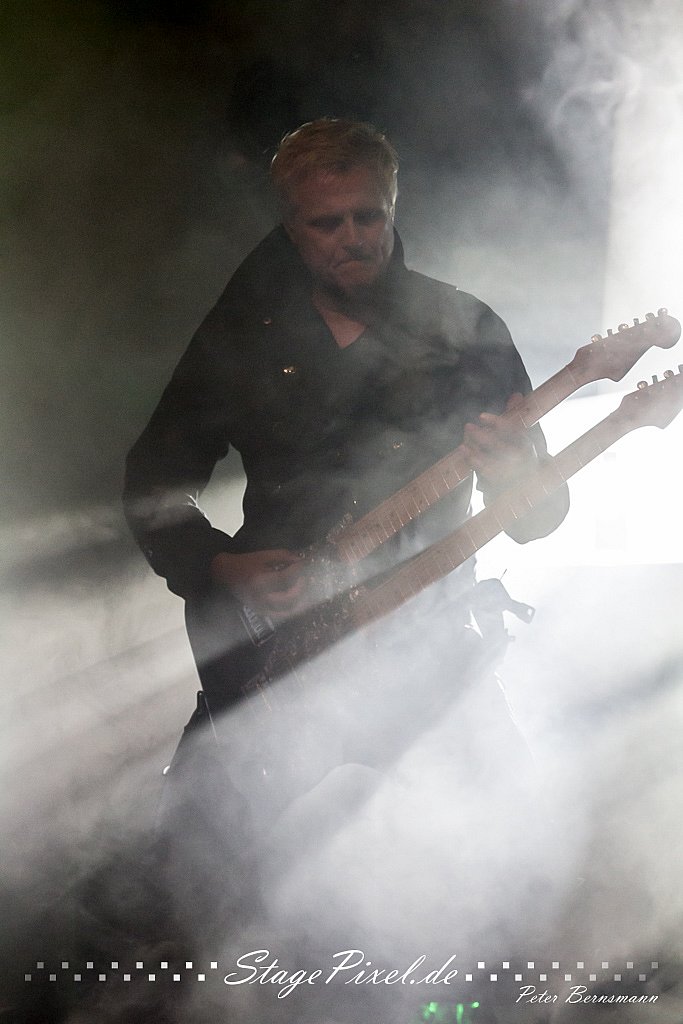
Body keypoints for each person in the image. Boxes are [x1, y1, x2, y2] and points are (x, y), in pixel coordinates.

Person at [123, 119, 569, 956]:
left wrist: (515, 471)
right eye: (325, 223)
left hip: (430, 638)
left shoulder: (464, 327)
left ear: (393, 208)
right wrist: (220, 564)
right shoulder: (244, 335)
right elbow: (151, 482)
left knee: (512, 866)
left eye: (368, 216)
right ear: (290, 226)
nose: (351, 238)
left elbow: (538, 516)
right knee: (189, 876)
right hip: (275, 646)